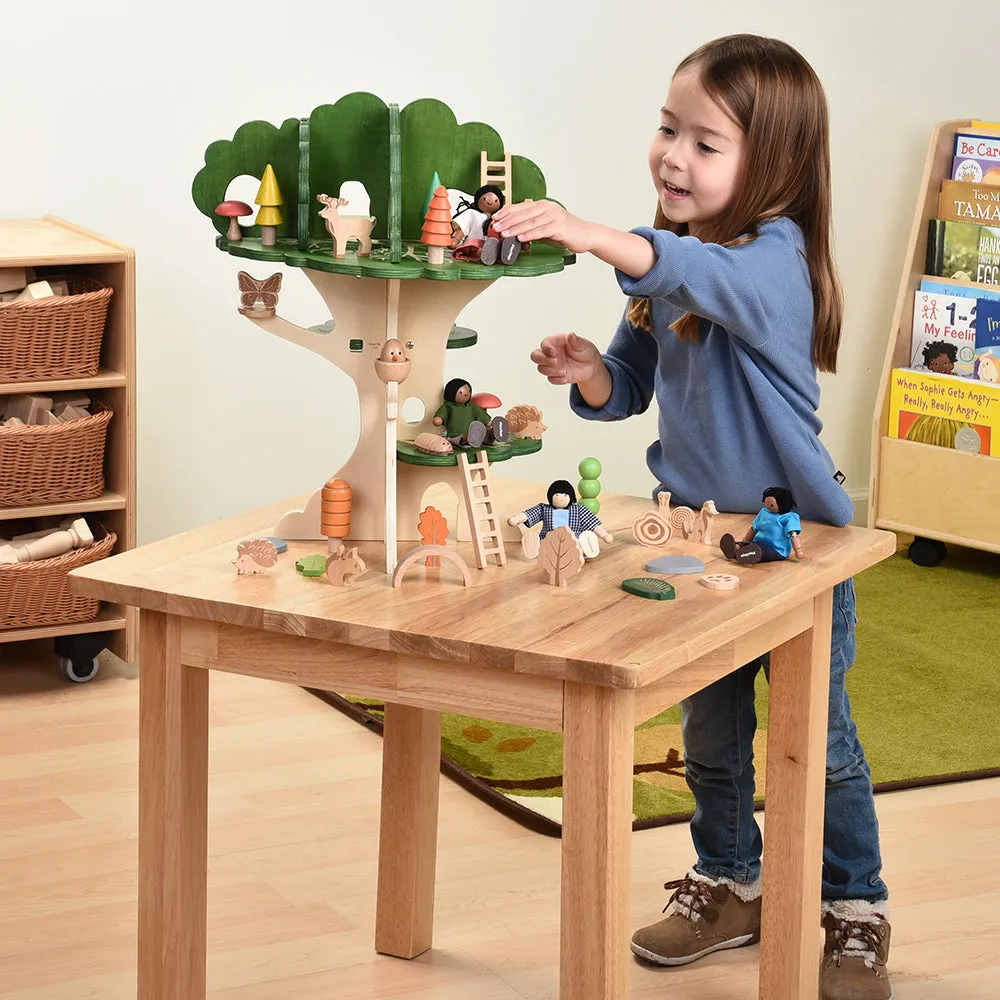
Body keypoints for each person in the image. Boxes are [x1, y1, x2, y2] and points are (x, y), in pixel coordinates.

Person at [493, 32, 891, 1000]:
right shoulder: (678, 258)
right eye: (667, 129)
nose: (672, 154)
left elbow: (682, 271)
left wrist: (591, 234)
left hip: (796, 542)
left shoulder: (773, 262)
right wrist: (592, 371)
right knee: (710, 731)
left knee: (819, 740)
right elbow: (634, 380)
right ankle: (726, 880)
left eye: (704, 142)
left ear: (774, 164)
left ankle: (854, 904)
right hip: (693, 532)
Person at [720, 486, 803, 564]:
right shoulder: (764, 512)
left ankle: (747, 554)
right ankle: (736, 548)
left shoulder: (788, 518)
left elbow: (793, 535)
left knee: (760, 550)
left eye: (771, 505)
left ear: (782, 504)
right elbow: (754, 528)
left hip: (777, 550)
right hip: (758, 543)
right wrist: (746, 540)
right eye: (766, 503)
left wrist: (798, 550)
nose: (768, 507)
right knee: (750, 545)